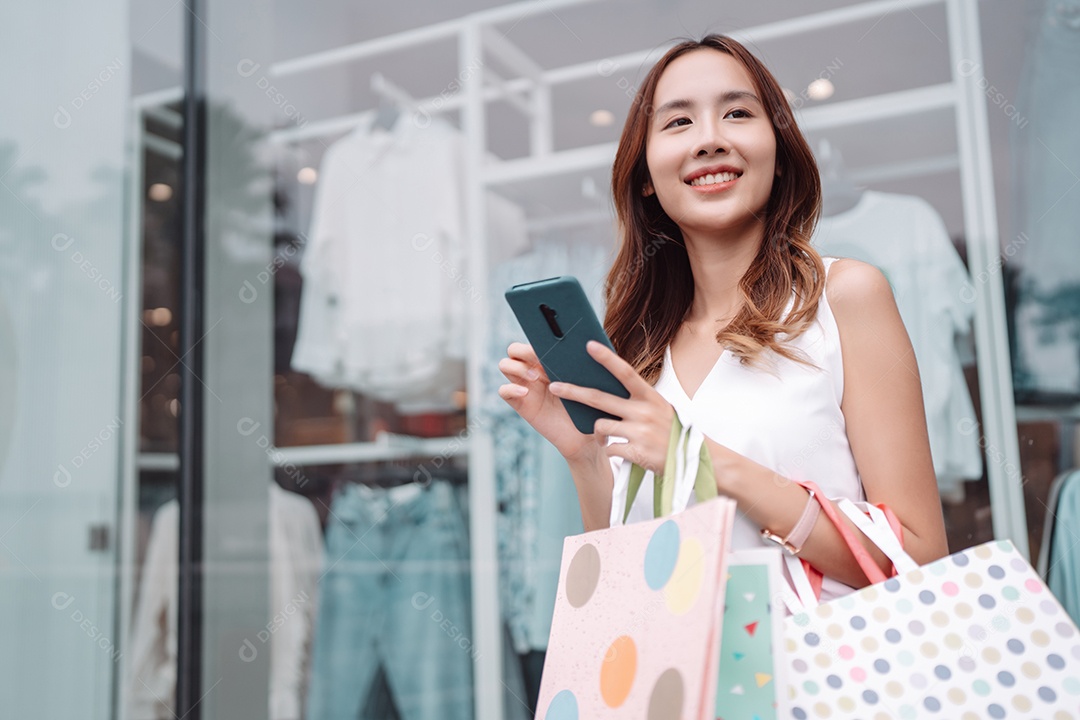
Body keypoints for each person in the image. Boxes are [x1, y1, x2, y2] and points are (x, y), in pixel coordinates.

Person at [497, 35, 948, 597]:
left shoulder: (844, 296)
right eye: (678, 123)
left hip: (822, 678)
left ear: (779, 154)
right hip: (685, 686)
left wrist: (698, 459)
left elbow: (919, 559)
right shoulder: (636, 352)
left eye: (737, 113)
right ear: (644, 176)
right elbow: (621, 590)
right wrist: (585, 457)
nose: (710, 139)